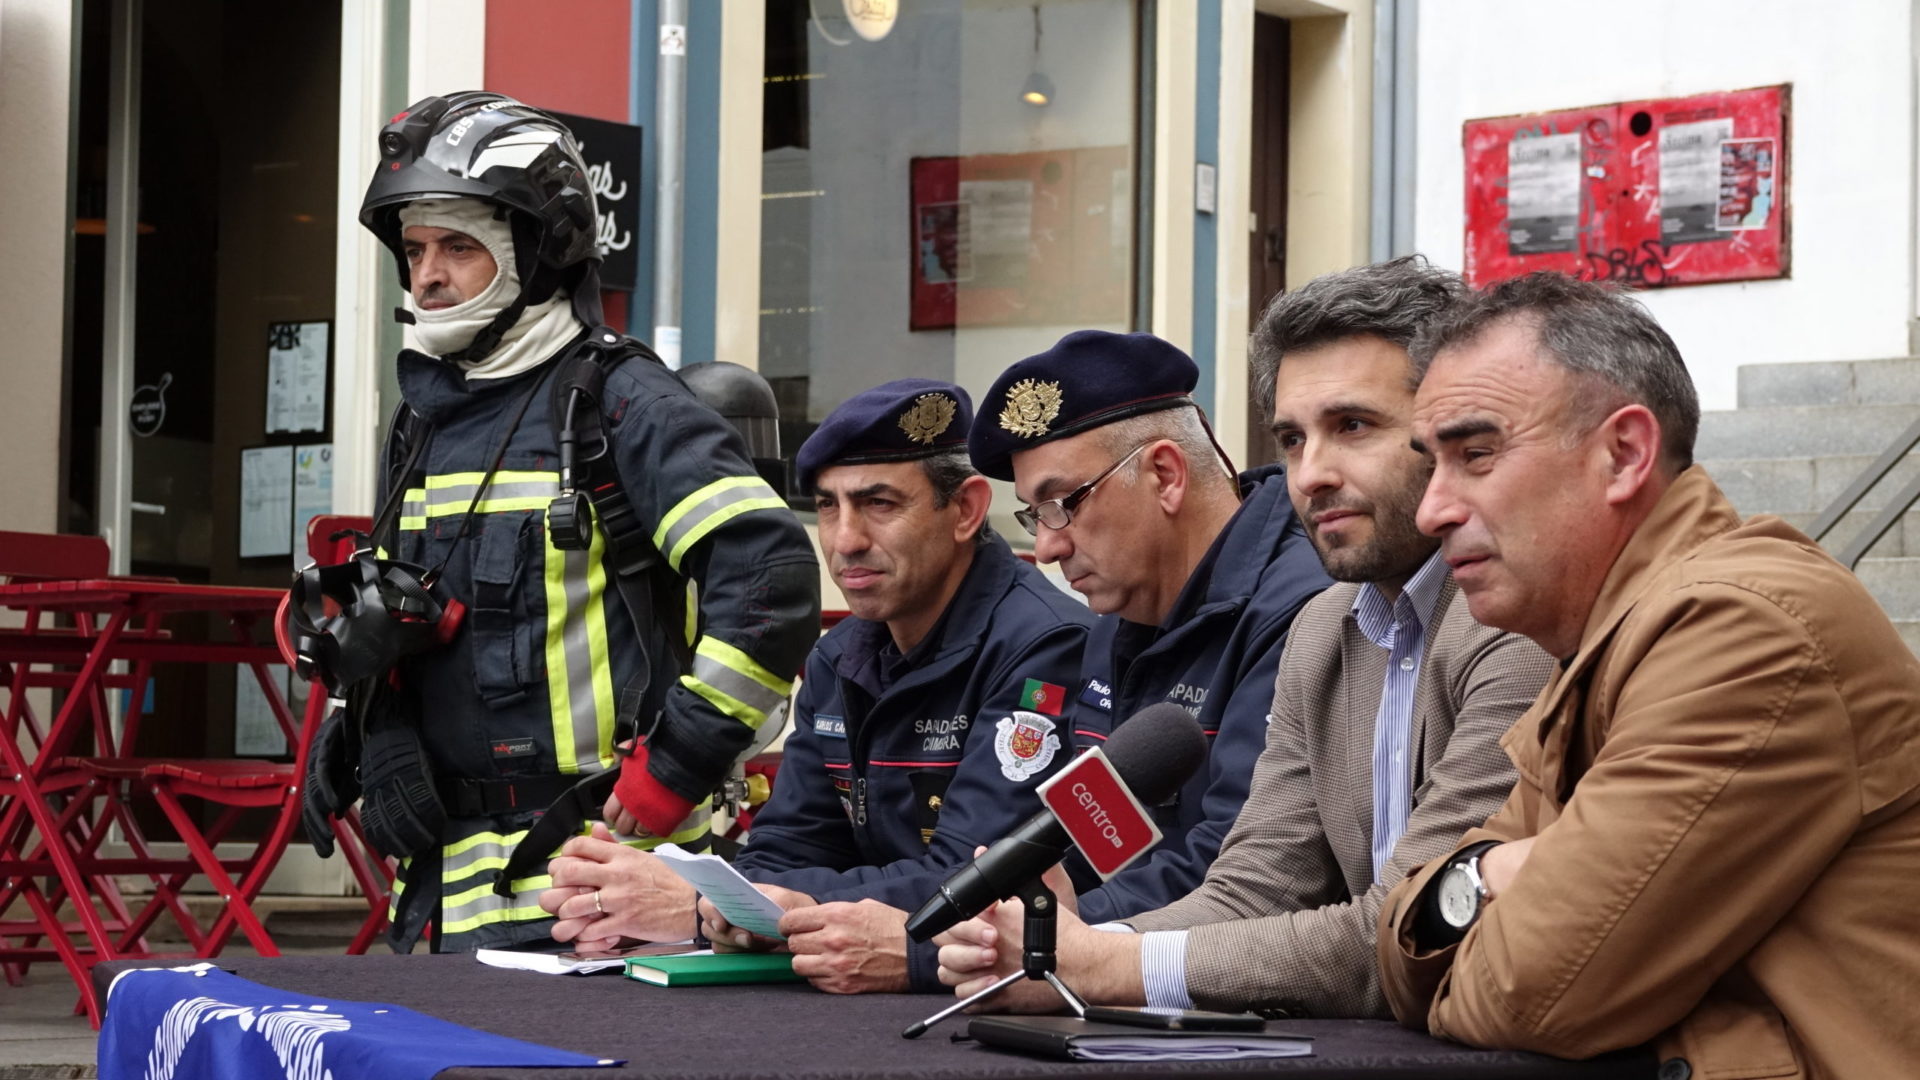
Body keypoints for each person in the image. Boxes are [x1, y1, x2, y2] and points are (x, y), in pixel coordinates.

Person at [936, 258, 1554, 1018]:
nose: (1311, 474)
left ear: (1448, 432)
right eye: (1292, 439)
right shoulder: (1326, 627)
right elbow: (1256, 884)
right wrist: (1073, 954)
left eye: (1352, 426)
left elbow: (1408, 929)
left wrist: (1101, 963)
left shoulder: (1515, 623)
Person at [1376, 272, 1920, 1078]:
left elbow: (1527, 994)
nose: (1432, 511)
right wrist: (1492, 872)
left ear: (1624, 454)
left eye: (1477, 454)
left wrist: (1473, 886)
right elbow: (1398, 963)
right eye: (1433, 465)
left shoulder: (1741, 629)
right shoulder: (1611, 640)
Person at [328, 92, 819, 952]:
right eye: (413, 250)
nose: (427, 276)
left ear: (539, 253)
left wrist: (679, 764)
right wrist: (362, 725)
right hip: (447, 902)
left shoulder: (618, 400)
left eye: (457, 248)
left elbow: (769, 579)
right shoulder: (424, 418)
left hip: (602, 890)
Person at [539, 380, 1094, 994]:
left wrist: (713, 906)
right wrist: (719, 905)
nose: (844, 540)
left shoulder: (1044, 647)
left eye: (879, 504)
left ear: (965, 510)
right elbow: (787, 847)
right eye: (827, 506)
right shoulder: (840, 654)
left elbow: (973, 881)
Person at [965, 330, 1331, 923]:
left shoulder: (1304, 609)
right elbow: (1096, 835)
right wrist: (1004, 913)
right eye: (1034, 516)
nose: (1047, 549)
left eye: (1063, 504)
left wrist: (1058, 934)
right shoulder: (1122, 612)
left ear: (1165, 474)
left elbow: (1237, 875)